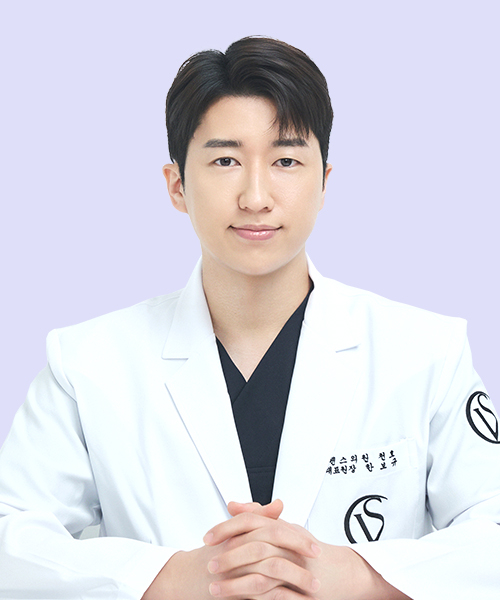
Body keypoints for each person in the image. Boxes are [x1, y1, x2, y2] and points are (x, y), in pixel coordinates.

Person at [0, 36, 499, 600]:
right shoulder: (87, 363)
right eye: (225, 161)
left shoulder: (425, 350)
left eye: (286, 160)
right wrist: (169, 578)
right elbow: (10, 539)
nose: (256, 197)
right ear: (177, 186)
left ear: (323, 182)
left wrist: (359, 575)